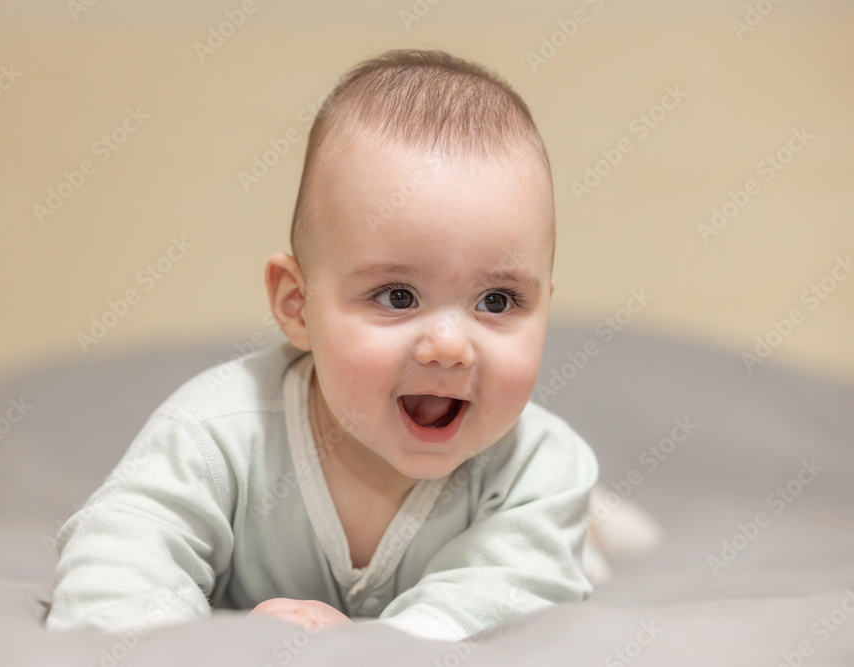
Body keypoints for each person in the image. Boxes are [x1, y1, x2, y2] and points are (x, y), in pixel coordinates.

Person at [47, 49, 599, 642]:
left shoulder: (539, 467)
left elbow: (517, 588)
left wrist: (386, 644)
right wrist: (188, 644)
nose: (448, 347)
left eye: (497, 301)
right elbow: (119, 553)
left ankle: (596, 530)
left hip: (541, 536)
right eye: (396, 296)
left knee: (568, 545)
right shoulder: (217, 435)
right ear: (296, 305)